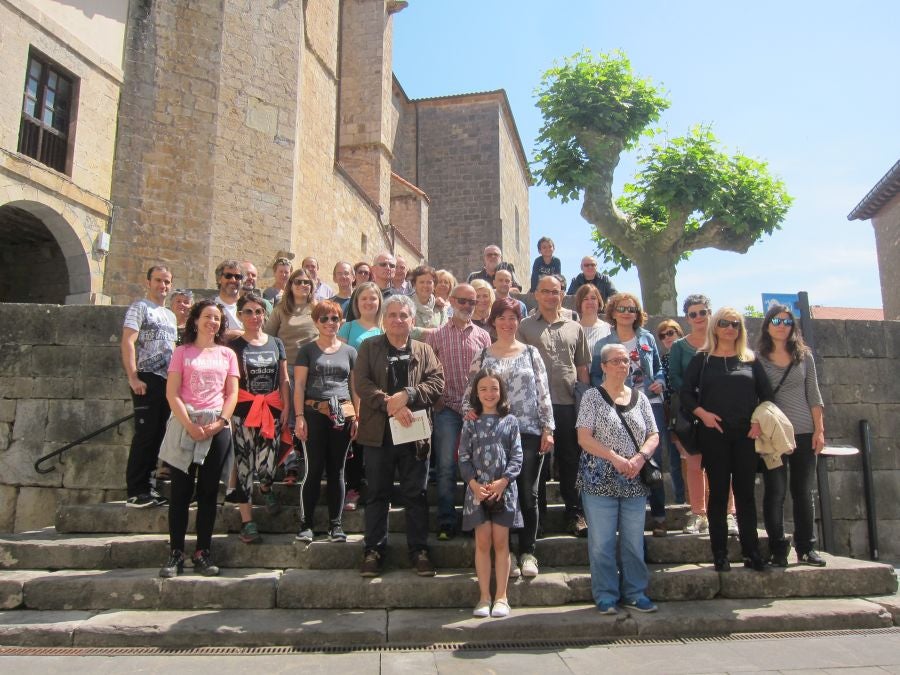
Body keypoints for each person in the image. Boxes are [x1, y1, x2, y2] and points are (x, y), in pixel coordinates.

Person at [462, 297, 554, 578]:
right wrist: (471, 414)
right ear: (493, 321)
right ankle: (508, 553)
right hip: (493, 435)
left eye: (512, 317)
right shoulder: (484, 354)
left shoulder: (531, 353)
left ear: (519, 321)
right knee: (500, 494)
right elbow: (470, 394)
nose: (507, 323)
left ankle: (528, 551)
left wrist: (548, 428)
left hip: (528, 431)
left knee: (528, 493)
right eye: (501, 317)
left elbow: (543, 391)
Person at [355, 295, 444, 577]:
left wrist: (409, 395)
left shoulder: (424, 349)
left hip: (414, 433)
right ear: (384, 319)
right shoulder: (369, 347)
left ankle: (419, 550)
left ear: (412, 320)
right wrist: (389, 404)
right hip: (379, 434)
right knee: (377, 494)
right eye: (392, 315)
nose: (398, 320)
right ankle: (373, 550)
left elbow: (437, 382)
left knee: (415, 494)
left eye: (403, 315)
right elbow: (362, 383)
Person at [681, 308, 773, 572]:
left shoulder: (750, 360)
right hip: (714, 434)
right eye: (724, 323)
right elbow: (686, 394)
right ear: (715, 327)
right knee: (719, 493)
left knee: (745, 494)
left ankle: (751, 552)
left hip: (746, 435)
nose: (730, 328)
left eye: (735, 324)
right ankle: (719, 553)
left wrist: (757, 421)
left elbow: (767, 396)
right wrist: (703, 414)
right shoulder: (703, 359)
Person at [577, 343, 659, 614]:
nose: (622, 365)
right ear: (603, 366)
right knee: (601, 543)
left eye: (625, 361)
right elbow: (584, 437)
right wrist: (614, 457)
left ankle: (636, 592)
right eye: (615, 361)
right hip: (599, 480)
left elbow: (653, 434)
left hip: (634, 480)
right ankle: (606, 595)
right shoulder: (591, 397)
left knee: (633, 541)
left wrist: (640, 458)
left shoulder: (641, 398)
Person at [158, 299, 238, 578]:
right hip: (185, 423)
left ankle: (203, 551)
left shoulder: (227, 355)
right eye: (207, 316)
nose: (212, 322)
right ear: (195, 320)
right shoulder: (182, 352)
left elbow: (232, 394)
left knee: (207, 493)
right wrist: (189, 424)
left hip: (216, 425)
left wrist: (220, 423)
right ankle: (175, 553)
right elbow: (172, 392)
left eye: (217, 318)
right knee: (180, 492)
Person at [517, 274, 590, 537]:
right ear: (536, 294)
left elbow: (582, 367)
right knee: (539, 464)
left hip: (568, 403)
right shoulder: (524, 327)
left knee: (571, 461)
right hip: (535, 407)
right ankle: (540, 518)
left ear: (562, 295)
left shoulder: (575, 327)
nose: (551, 296)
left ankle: (575, 514)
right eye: (545, 291)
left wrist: (587, 405)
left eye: (555, 291)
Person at [591, 292, 669, 536]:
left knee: (650, 456)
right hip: (619, 404)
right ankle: (625, 515)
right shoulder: (604, 344)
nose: (627, 313)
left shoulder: (646, 337)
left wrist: (660, 381)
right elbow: (595, 375)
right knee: (625, 455)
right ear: (613, 312)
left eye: (632, 309)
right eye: (622, 309)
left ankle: (658, 515)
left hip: (649, 401)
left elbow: (658, 368)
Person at [757, 305, 827, 567]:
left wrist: (819, 430)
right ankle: (777, 548)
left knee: (803, 491)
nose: (781, 325)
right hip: (774, 435)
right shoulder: (758, 358)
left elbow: (814, 395)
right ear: (767, 325)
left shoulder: (803, 356)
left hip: (804, 430)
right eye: (776, 320)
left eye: (786, 321)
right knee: (775, 492)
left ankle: (807, 547)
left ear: (793, 327)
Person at [424, 283, 492, 539]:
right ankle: (446, 520)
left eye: (471, 302)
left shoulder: (483, 336)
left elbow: (488, 373)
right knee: (445, 466)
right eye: (462, 301)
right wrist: (437, 400)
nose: (466, 306)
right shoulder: (437, 335)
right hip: (447, 409)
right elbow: (428, 371)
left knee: (476, 467)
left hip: (476, 411)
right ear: (452, 301)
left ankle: (473, 519)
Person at [668, 294, 738, 536]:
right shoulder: (679, 347)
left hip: (722, 411)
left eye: (702, 312)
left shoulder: (722, 342)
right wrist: (696, 398)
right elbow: (675, 377)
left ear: (710, 313)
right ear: (687, 318)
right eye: (692, 314)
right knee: (695, 464)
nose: (698, 317)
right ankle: (699, 514)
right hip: (692, 412)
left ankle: (729, 513)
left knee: (723, 464)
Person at [459, 369, 523, 618]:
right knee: (483, 541)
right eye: (483, 388)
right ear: (476, 392)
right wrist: (473, 484)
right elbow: (463, 456)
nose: (489, 393)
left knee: (501, 542)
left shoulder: (510, 421)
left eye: (494, 388)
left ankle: (502, 596)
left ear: (501, 391)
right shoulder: (470, 421)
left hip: (503, 490)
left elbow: (517, 455)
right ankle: (484, 596)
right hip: (478, 491)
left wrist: (504, 481)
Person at [294, 300, 358, 543]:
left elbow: (354, 387)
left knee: (337, 470)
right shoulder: (307, 350)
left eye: (335, 319)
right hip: (313, 412)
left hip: (341, 414)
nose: (330, 323)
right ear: (316, 322)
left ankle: (336, 524)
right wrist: (299, 417)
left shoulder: (350, 351)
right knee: (313, 469)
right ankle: (306, 524)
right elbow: (299, 385)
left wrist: (357, 417)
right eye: (325, 319)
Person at [228, 293, 289, 544]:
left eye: (258, 311)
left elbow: (284, 378)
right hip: (243, 411)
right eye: (248, 312)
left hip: (272, 410)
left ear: (265, 315)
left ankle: (265, 486)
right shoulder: (234, 347)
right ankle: (247, 521)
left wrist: (286, 407)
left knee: (267, 464)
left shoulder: (276, 343)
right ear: (240, 315)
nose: (254, 316)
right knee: (244, 466)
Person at [121, 264, 178, 508]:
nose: (162, 286)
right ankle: (136, 490)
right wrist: (133, 377)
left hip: (166, 381)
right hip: (147, 376)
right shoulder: (139, 308)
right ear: (149, 282)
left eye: (166, 281)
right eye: (158, 281)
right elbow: (128, 341)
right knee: (145, 436)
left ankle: (150, 486)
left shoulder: (170, 315)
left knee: (159, 435)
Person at [336, 281, 384, 511]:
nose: (368, 303)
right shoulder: (347, 327)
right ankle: (353, 489)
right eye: (363, 298)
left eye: (372, 299)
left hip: (376, 393)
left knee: (374, 441)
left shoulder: (384, 327)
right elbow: (341, 360)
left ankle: (374, 488)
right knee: (352, 439)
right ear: (356, 302)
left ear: (379, 302)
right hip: (348, 391)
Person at [655, 318, 687, 505]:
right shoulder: (662, 361)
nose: (667, 337)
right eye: (663, 335)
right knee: (674, 459)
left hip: (691, 410)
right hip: (671, 412)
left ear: (679, 333)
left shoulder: (691, 354)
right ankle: (681, 499)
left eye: (671, 333)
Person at [409, 265, 448, 340]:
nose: (425, 285)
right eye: (421, 282)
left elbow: (445, 332)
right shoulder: (406, 306)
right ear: (414, 284)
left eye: (429, 282)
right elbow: (405, 331)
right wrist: (435, 332)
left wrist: (418, 331)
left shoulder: (440, 308)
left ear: (434, 285)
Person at [575, 283, 611, 355]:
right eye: (585, 299)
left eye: (593, 298)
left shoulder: (609, 329)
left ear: (599, 302)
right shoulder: (573, 329)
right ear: (579, 303)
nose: (590, 302)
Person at [213, 260, 244, 340]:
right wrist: (242, 333)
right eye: (228, 276)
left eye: (238, 277)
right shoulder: (211, 307)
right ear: (219, 279)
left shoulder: (250, 306)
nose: (233, 280)